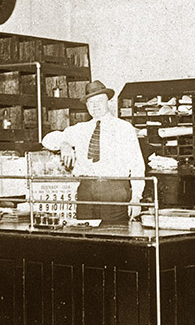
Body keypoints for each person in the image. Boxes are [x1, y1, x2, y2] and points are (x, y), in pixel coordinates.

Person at [46, 80, 146, 223]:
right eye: (90, 102)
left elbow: (137, 165)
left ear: (108, 102)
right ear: (86, 106)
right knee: (86, 237)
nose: (95, 106)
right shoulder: (80, 129)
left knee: (114, 236)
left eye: (99, 101)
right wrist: (64, 144)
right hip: (86, 190)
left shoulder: (124, 128)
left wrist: (136, 197)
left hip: (114, 190)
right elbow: (47, 139)